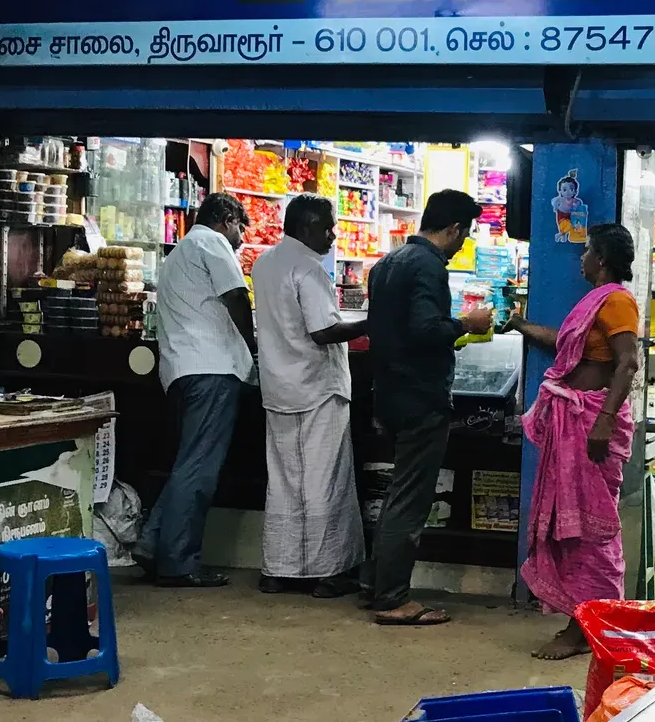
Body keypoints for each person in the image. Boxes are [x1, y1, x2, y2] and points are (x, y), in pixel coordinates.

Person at [360, 189, 493, 626]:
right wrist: (466, 325)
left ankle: (376, 585)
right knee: (410, 499)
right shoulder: (428, 266)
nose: (462, 244)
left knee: (398, 491)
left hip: (390, 394)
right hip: (421, 397)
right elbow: (425, 330)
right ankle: (392, 597)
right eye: (464, 234)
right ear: (454, 228)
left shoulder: (387, 264)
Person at [508, 223, 640, 659]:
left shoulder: (617, 301)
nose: (580, 259)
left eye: (585, 252)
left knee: (593, 529)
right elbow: (567, 347)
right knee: (572, 527)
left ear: (600, 259)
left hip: (591, 425)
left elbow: (627, 364)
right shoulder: (593, 303)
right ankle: (582, 619)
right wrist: (521, 324)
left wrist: (602, 422)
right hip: (574, 420)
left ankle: (587, 626)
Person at [251, 195, 367, 598]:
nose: (333, 235)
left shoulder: (263, 263)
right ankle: (328, 572)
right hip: (317, 387)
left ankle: (278, 570)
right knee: (324, 480)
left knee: (283, 481)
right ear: (307, 228)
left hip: (279, 387)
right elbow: (323, 331)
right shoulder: (310, 269)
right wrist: (373, 322)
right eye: (327, 227)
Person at [144, 192, 255, 589]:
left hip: (183, 370)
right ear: (225, 219)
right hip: (211, 369)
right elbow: (237, 297)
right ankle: (178, 564)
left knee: (188, 462)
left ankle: (152, 542)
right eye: (241, 226)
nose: (241, 237)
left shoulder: (177, 254)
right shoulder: (212, 242)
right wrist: (254, 345)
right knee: (199, 469)